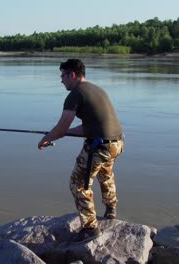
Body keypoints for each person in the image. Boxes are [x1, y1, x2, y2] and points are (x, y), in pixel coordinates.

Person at [38, 59, 124, 243]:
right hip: (116, 143)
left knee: (77, 184)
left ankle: (90, 228)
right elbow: (89, 127)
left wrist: (48, 138)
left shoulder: (75, 95)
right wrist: (62, 133)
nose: (61, 80)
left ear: (73, 75)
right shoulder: (96, 89)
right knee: (105, 173)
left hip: (99, 146)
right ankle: (111, 210)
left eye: (63, 75)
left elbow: (61, 127)